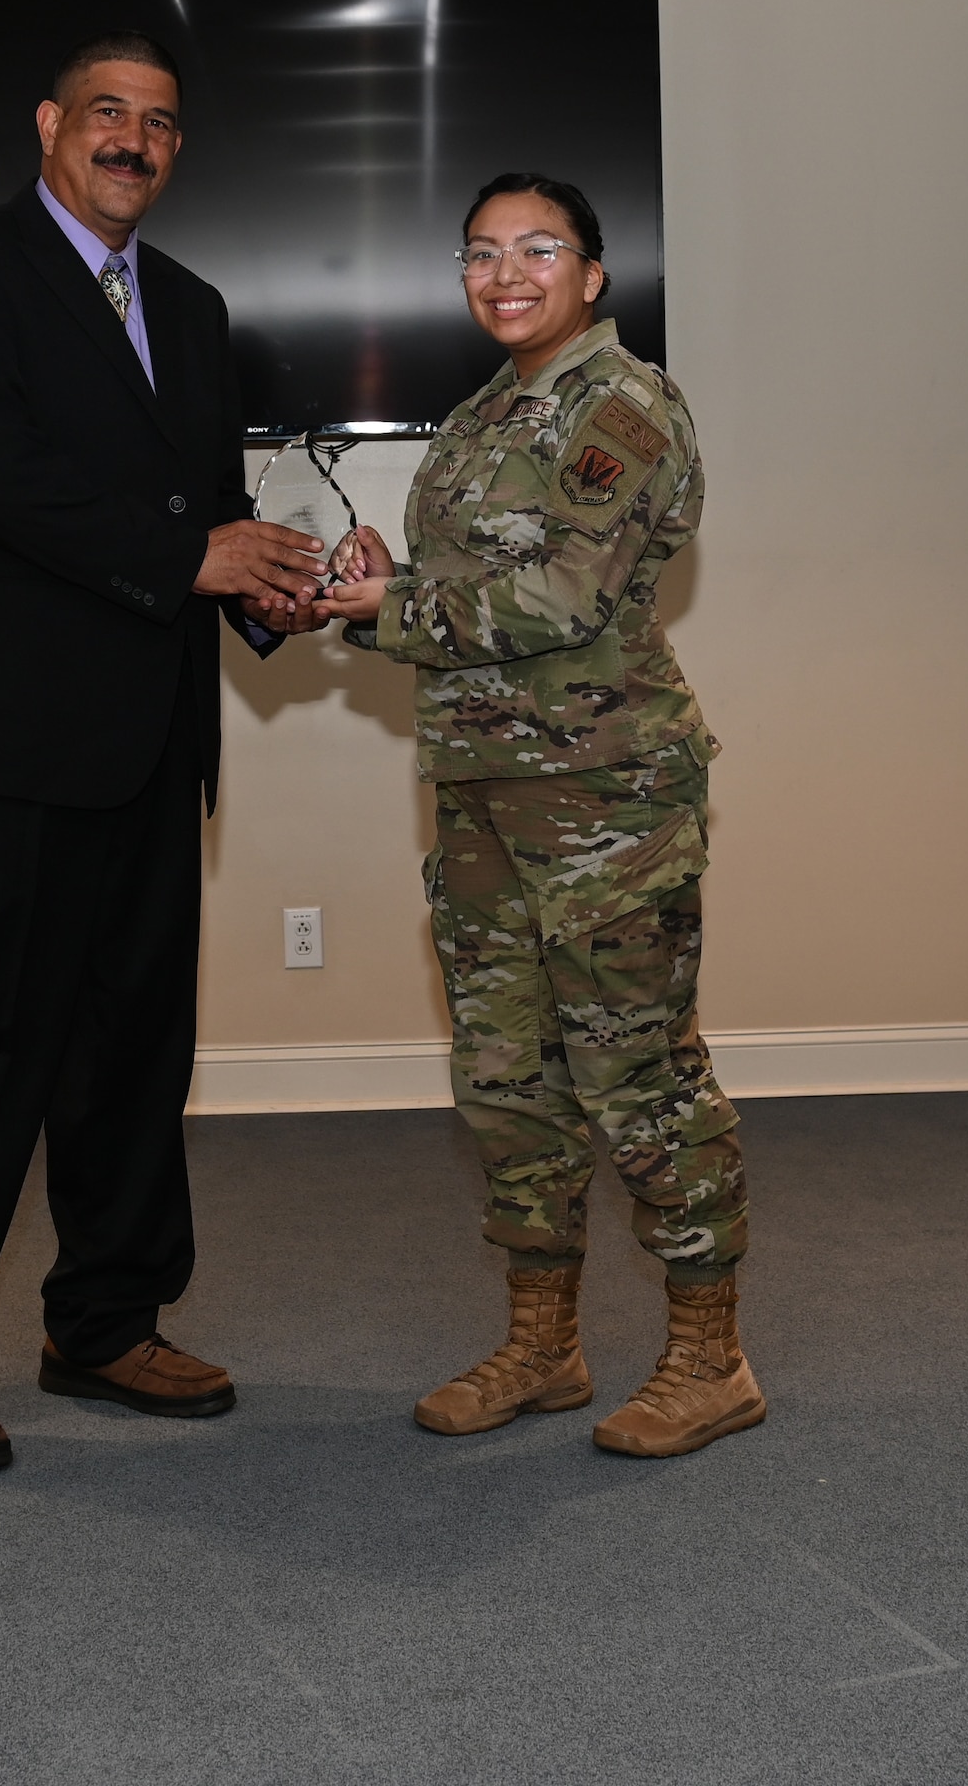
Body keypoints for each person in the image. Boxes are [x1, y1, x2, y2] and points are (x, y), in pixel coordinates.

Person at [0, 30, 329, 1476]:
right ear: (50, 125)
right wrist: (193, 553)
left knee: (130, 1047)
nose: (133, 137)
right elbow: (4, 484)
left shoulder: (189, 305)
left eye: (160, 122)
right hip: (1, 728)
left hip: (150, 734)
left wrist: (270, 582)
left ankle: (104, 1323)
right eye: (106, 112)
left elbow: (204, 507)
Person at [327, 173, 763, 1458]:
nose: (503, 272)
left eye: (536, 248)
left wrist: (389, 613)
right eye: (479, 252)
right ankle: (545, 1345)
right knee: (508, 1079)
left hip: (607, 798)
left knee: (638, 1074)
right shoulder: (479, 414)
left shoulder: (620, 404)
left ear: (592, 273)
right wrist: (388, 581)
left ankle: (710, 1355)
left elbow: (565, 594)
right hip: (481, 790)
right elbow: (483, 587)